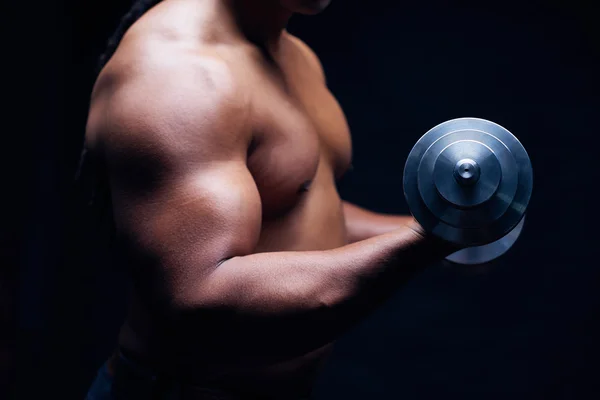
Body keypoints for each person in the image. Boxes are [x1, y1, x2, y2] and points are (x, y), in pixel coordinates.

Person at [82, 0, 462, 398]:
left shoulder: (294, 56)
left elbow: (301, 215)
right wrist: (427, 240)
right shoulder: (179, 74)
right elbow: (200, 300)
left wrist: (450, 229)